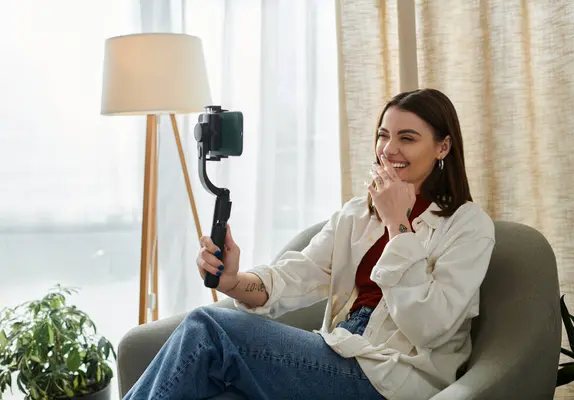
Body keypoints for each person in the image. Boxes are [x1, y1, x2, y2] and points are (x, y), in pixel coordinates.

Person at [123, 88, 495, 400]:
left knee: (208, 326)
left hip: (393, 378)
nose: (388, 149)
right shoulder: (357, 215)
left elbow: (428, 326)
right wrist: (234, 282)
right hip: (341, 349)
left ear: (443, 147)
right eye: (383, 135)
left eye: (407, 138)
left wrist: (399, 226)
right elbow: (295, 276)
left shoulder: (468, 226)